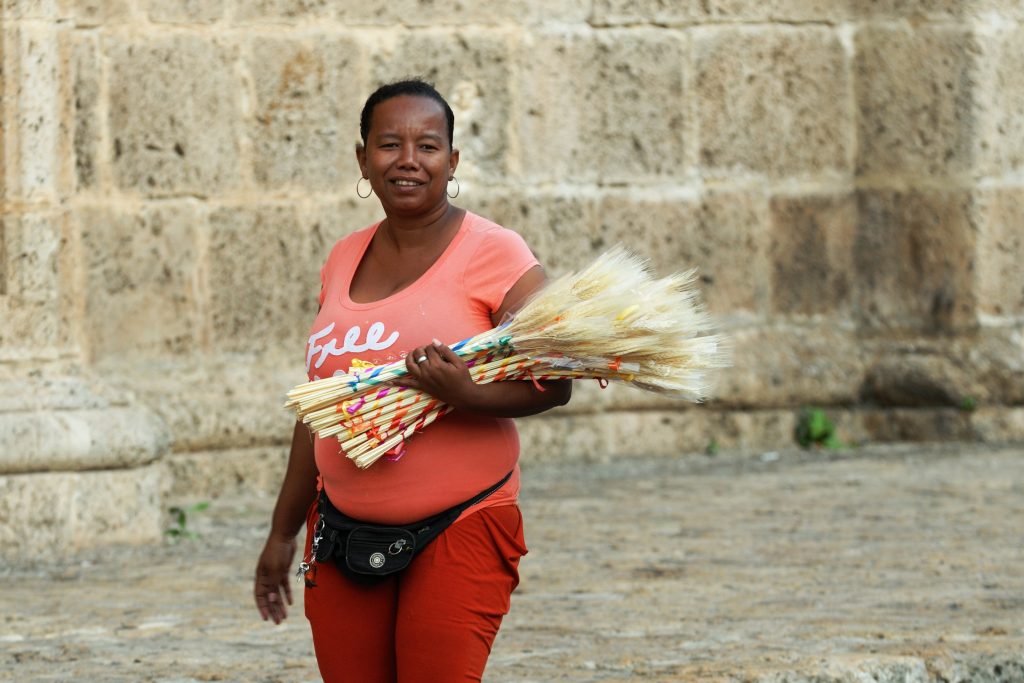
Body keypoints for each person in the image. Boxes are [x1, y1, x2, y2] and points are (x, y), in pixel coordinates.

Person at [253, 78, 572, 682]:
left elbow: (555, 381)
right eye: (388, 144)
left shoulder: (495, 252)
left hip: (461, 523)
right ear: (362, 158)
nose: (406, 160)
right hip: (341, 531)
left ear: (452, 161)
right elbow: (320, 409)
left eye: (427, 146)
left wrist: (464, 394)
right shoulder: (343, 256)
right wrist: (280, 533)